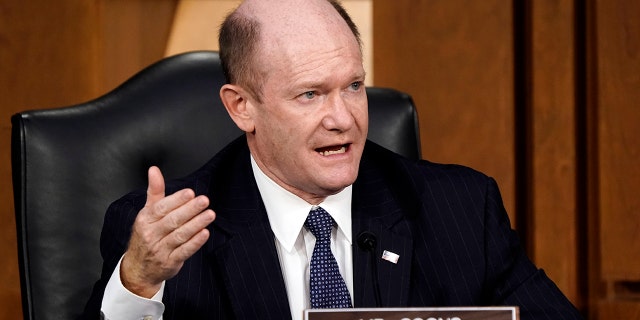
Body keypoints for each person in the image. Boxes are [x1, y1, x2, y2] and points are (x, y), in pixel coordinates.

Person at [82, 0, 583, 319]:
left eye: (354, 87)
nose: (343, 118)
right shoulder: (165, 239)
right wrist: (138, 284)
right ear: (242, 108)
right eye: (310, 95)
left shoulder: (460, 210)